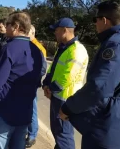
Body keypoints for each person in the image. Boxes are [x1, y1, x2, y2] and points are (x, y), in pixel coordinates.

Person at [59, 0, 120, 149]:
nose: (95, 24)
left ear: (104, 20)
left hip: (105, 118)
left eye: (96, 20)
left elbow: (99, 87)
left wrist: (68, 108)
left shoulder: (115, 44)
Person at [0, 12, 47, 149]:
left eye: (8, 25)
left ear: (16, 27)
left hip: (4, 110)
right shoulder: (37, 51)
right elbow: (37, 79)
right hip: (25, 112)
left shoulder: (8, 49)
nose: (5, 28)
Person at [42, 18, 89, 149]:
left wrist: (51, 88)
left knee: (63, 134)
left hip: (66, 99)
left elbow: (68, 76)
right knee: (58, 132)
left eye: (56, 31)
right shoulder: (63, 48)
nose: (54, 34)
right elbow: (53, 69)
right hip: (57, 96)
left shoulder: (76, 50)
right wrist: (45, 84)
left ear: (64, 30)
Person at [26, 25, 47, 148]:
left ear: (32, 33)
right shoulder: (27, 45)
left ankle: (32, 135)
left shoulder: (38, 48)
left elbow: (42, 69)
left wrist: (33, 80)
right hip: (25, 84)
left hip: (31, 84)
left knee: (32, 109)